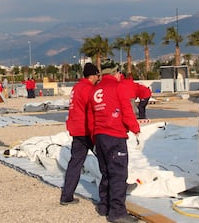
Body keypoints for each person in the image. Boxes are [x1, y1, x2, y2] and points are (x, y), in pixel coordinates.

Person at [89, 65, 140, 223]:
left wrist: (94, 138)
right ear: (114, 73)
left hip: (100, 135)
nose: (121, 75)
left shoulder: (95, 90)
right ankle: (117, 212)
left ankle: (104, 205)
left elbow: (91, 117)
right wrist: (135, 129)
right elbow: (127, 111)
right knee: (118, 174)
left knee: (105, 172)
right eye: (119, 72)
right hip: (115, 135)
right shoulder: (118, 88)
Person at [60, 63, 100, 205]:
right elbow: (93, 110)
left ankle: (67, 195)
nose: (98, 78)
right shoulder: (88, 89)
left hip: (76, 130)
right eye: (97, 75)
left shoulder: (76, 87)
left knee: (75, 164)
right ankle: (111, 193)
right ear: (93, 75)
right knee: (106, 160)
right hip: (87, 131)